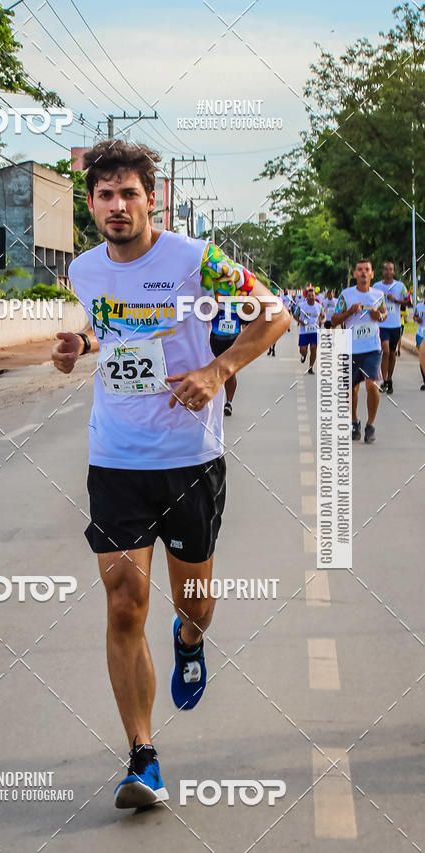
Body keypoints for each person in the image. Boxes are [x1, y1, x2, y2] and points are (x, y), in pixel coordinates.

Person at [52, 140, 290, 810]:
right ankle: (142, 757)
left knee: (195, 604)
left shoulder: (195, 259)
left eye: (129, 193)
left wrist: (218, 370)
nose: (117, 206)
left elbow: (275, 314)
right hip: (116, 459)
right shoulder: (87, 270)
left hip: (190, 461)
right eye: (104, 195)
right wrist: (80, 347)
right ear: (91, 203)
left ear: (150, 198)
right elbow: (116, 334)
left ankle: (190, 641)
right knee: (125, 601)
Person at [332, 260, 386, 443]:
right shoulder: (346, 295)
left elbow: (384, 313)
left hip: (372, 348)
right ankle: (354, 420)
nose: (363, 273)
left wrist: (379, 315)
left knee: (372, 386)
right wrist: (349, 312)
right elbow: (333, 319)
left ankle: (370, 425)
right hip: (351, 349)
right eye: (360, 270)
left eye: (367, 270)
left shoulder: (379, 295)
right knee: (350, 389)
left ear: (372, 274)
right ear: (355, 274)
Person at [373, 262, 408, 394]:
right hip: (382, 324)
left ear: (393, 272)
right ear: (383, 272)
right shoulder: (377, 286)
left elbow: (407, 301)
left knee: (392, 353)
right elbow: (371, 302)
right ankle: (383, 379)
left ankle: (389, 379)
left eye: (391, 269)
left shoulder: (400, 286)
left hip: (396, 324)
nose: (388, 272)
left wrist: (396, 300)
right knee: (385, 350)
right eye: (386, 269)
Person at [294, 285, 324, 373]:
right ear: (306, 297)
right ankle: (303, 355)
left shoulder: (319, 306)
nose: (311, 297)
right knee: (303, 350)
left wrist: (322, 321)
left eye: (313, 296)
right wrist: (301, 322)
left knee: (313, 348)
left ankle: (311, 367)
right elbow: (295, 315)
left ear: (315, 296)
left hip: (314, 331)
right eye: (309, 296)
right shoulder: (301, 306)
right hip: (304, 331)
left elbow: (323, 316)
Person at [414, 297, 425, 389]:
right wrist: (417, 319)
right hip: (421, 334)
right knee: (422, 358)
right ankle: (424, 380)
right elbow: (415, 316)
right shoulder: (419, 306)